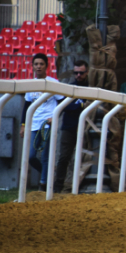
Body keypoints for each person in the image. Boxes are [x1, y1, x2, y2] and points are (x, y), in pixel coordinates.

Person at [22, 53, 61, 191]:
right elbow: (26, 106)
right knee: (31, 156)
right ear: (32, 66)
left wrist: (55, 117)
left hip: (48, 124)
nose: (38, 66)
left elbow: (62, 102)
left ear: (46, 66)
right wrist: (23, 125)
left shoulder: (53, 83)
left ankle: (43, 183)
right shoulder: (30, 84)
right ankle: (48, 175)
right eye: (36, 64)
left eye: (41, 64)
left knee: (45, 156)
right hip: (33, 125)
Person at [52, 60, 91, 193]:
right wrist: (80, 106)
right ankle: (57, 187)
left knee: (84, 158)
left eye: (81, 72)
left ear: (87, 72)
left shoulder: (91, 88)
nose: (78, 75)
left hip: (86, 129)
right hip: (69, 128)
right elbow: (65, 106)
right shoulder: (69, 87)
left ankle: (80, 187)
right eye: (76, 73)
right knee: (63, 158)